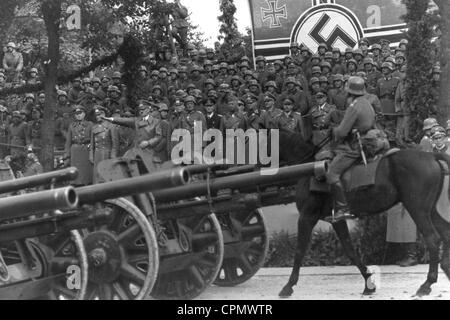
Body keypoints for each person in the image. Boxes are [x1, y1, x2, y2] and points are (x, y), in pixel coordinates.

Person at [325, 76, 376, 223]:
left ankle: (343, 208)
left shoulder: (354, 107)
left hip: (355, 145)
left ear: (349, 93)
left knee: (332, 173)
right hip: (369, 139)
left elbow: (341, 133)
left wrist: (334, 131)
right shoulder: (367, 103)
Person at [65, 106, 94, 186]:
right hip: (75, 150)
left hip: (85, 149)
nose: (78, 115)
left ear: (84, 114)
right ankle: (76, 185)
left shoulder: (90, 124)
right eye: (76, 114)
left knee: (86, 171)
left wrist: (91, 151)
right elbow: (68, 141)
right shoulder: (72, 126)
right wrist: (67, 154)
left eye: (80, 113)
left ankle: (86, 184)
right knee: (76, 170)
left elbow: (93, 139)